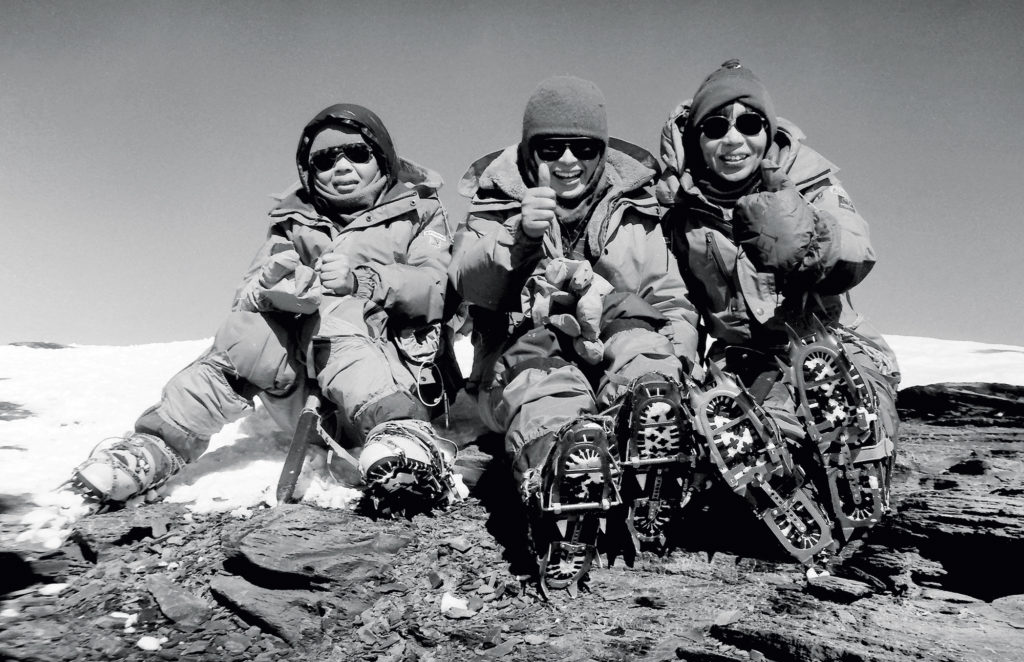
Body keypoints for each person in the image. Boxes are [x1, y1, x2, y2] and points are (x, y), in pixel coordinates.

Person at [69, 103, 460, 512]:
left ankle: (403, 437)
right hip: (312, 395)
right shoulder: (290, 223)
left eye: (357, 154)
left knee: (337, 312)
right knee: (248, 332)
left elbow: (437, 289)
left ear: (382, 158)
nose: (341, 167)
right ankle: (153, 447)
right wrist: (267, 287)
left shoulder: (422, 212)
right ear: (309, 172)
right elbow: (246, 298)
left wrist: (362, 281)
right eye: (325, 159)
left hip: (399, 380)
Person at [449, 75, 700, 594]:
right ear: (527, 148)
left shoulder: (638, 208)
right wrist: (520, 236)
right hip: (525, 353)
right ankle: (557, 481)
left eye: (583, 147)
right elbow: (468, 280)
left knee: (633, 321)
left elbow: (669, 298)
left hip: (612, 343)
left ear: (602, 151)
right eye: (550, 146)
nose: (568, 160)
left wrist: (681, 360)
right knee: (543, 381)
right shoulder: (496, 202)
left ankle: (654, 410)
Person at [657, 60, 900, 570]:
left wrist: (807, 234)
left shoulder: (809, 180)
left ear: (768, 132)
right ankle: (795, 497)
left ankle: (859, 464)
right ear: (696, 138)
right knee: (735, 432)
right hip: (747, 359)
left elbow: (858, 249)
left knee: (847, 391)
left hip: (828, 341)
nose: (733, 140)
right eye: (715, 127)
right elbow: (676, 298)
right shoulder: (678, 211)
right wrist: (676, 358)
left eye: (750, 124)